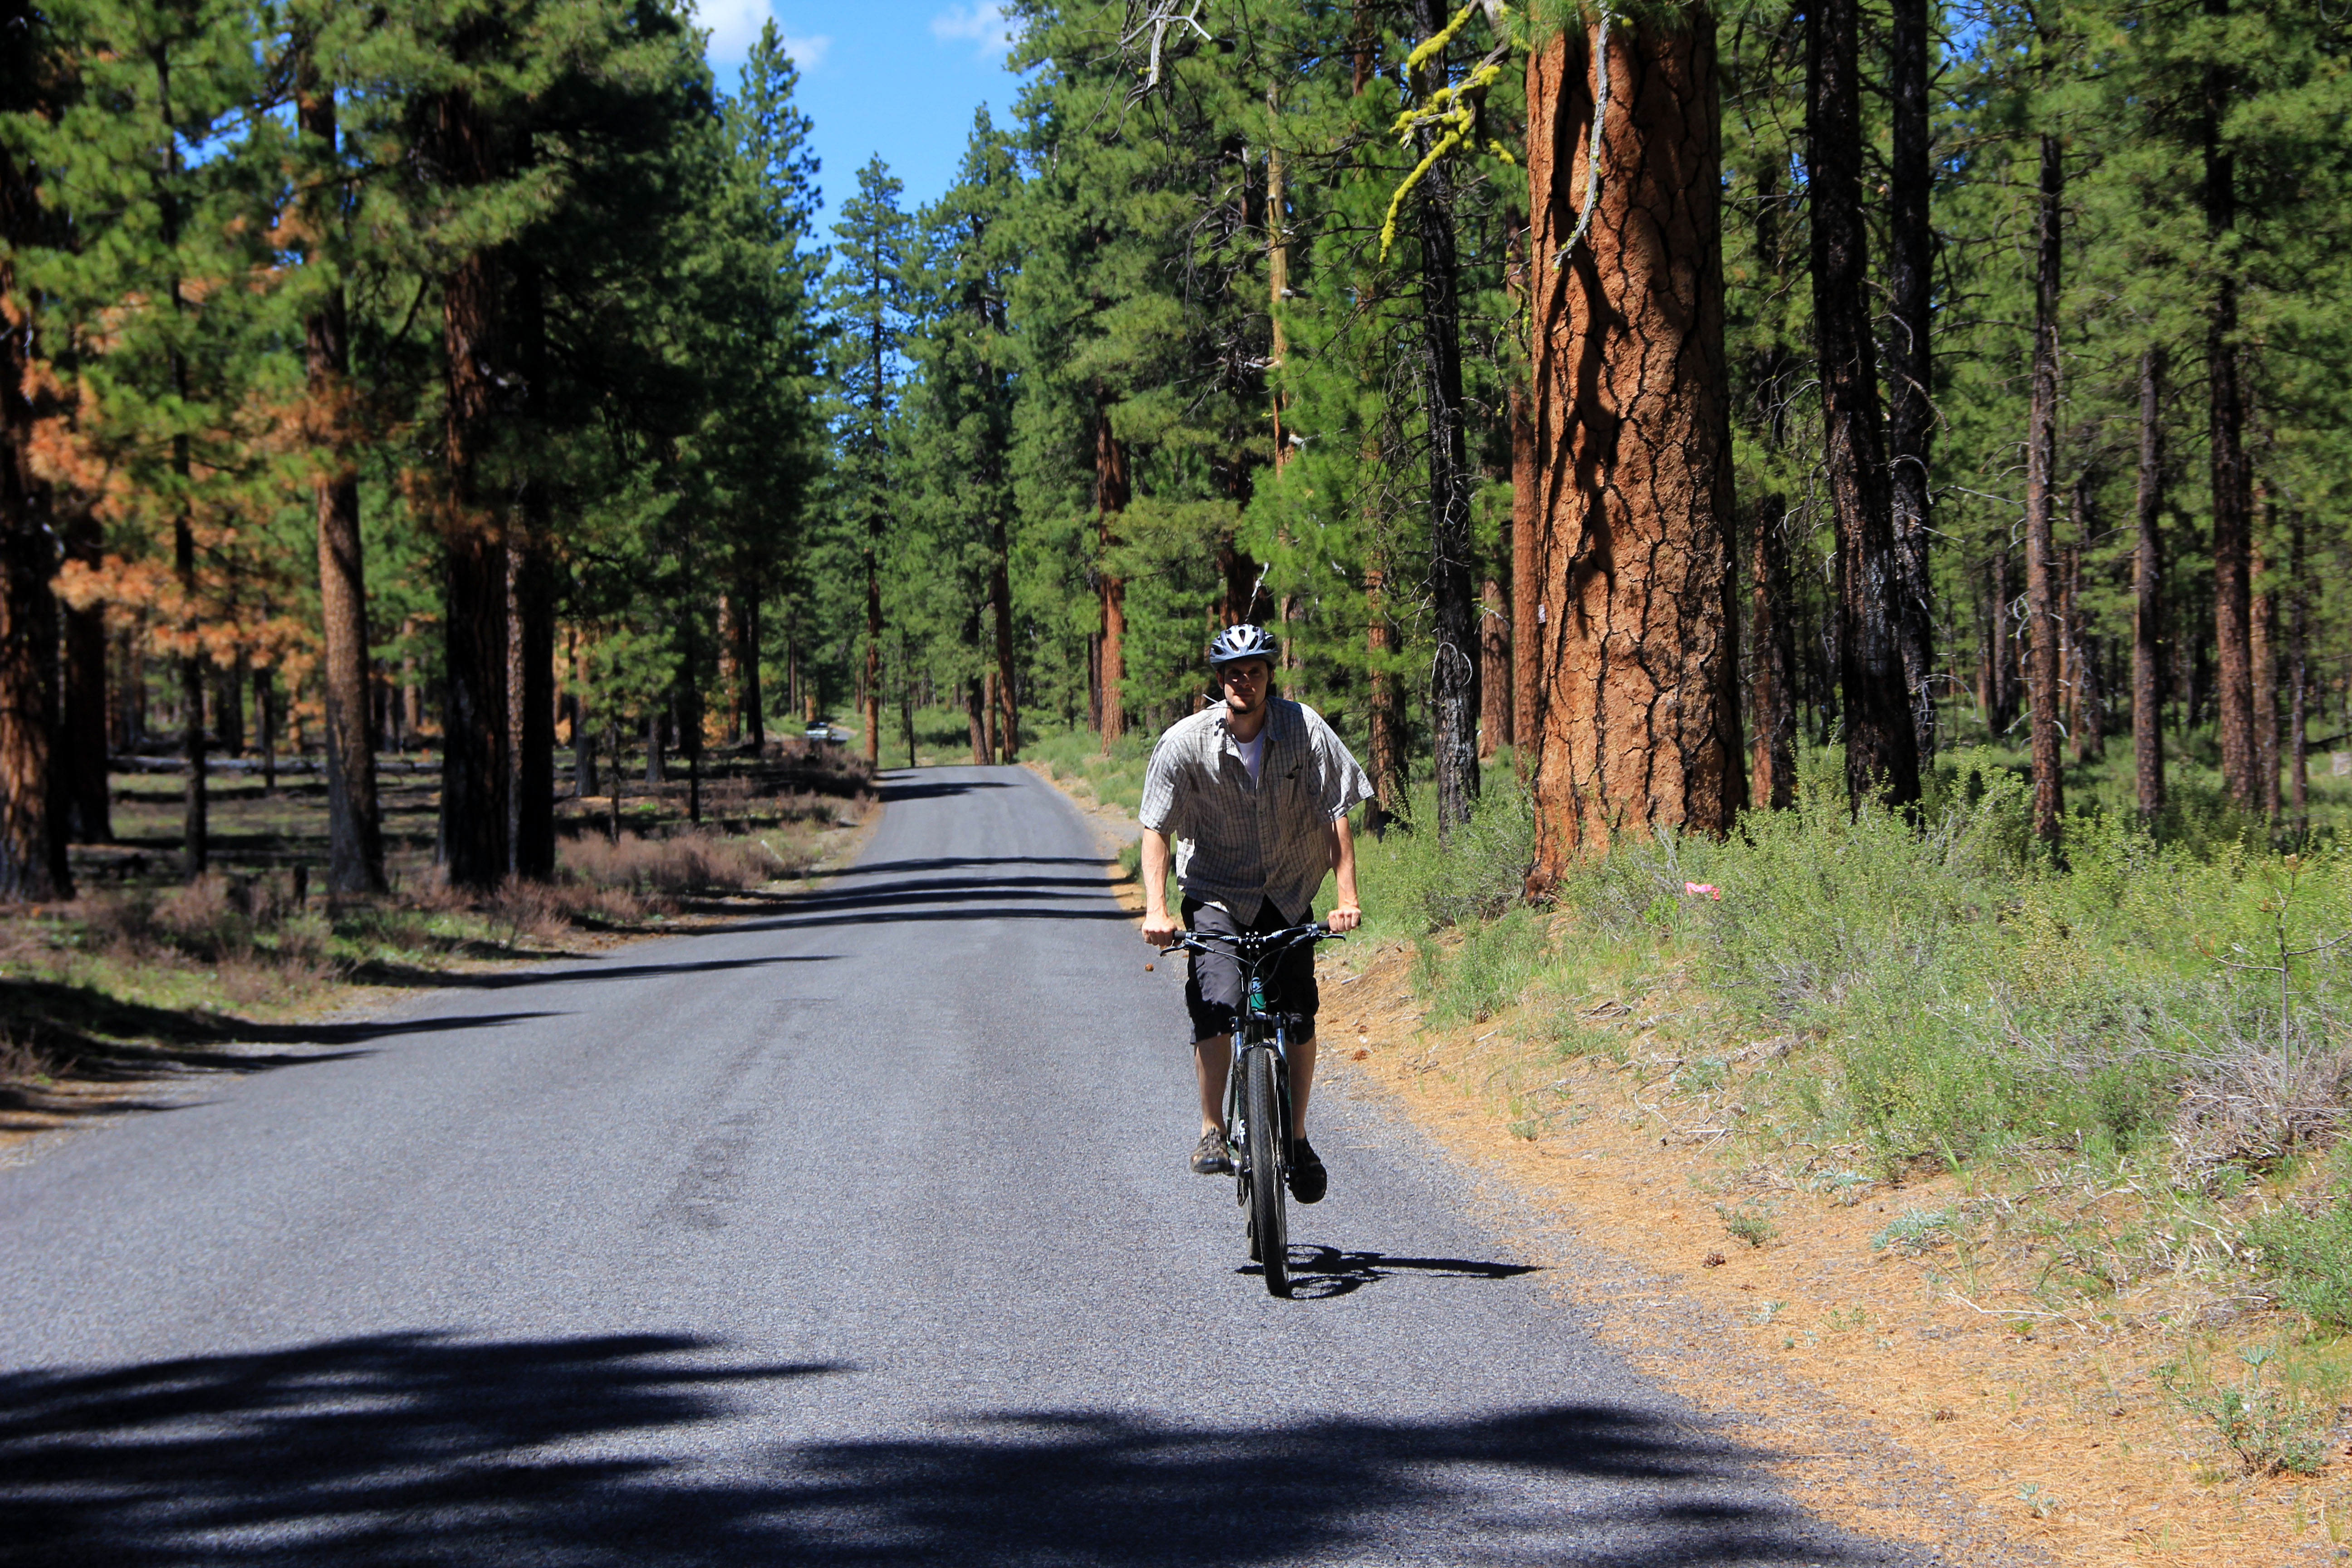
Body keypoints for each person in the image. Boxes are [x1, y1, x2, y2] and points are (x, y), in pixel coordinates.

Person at [1138, 622, 1374, 1202]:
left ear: (1270, 676)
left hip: (1288, 890)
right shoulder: (1185, 742)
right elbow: (1156, 828)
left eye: (1255, 672)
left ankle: (1297, 1137)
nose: (1244, 681)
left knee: (1300, 1015)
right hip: (1216, 891)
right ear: (1220, 681)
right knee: (1216, 1005)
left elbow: (1337, 813)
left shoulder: (1304, 729)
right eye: (1233, 674)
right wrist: (1157, 910)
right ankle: (1212, 1129)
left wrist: (1346, 898)